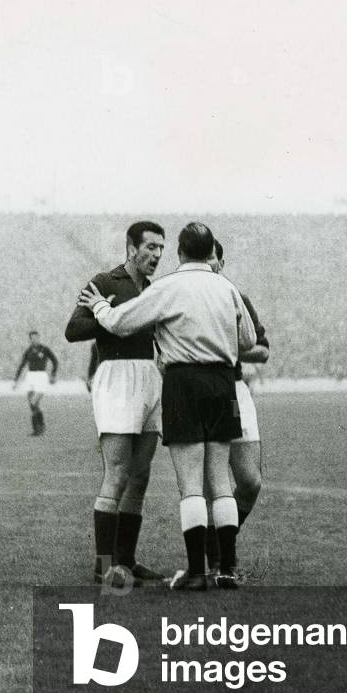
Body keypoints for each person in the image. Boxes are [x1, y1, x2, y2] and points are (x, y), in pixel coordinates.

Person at [79, 222, 256, 590]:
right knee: (220, 481)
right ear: (211, 253)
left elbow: (121, 323)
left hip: (184, 382)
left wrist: (98, 305)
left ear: (179, 252)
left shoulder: (169, 285)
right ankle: (224, 569)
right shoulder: (227, 287)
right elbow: (248, 338)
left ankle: (196, 573)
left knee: (191, 483)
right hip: (224, 384)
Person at [65, 221, 167, 588]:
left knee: (141, 474)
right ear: (130, 247)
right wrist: (112, 314)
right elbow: (73, 330)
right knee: (118, 472)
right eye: (150, 247)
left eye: (160, 248)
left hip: (149, 378)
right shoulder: (105, 283)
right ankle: (103, 567)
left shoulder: (155, 290)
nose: (156, 255)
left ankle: (126, 561)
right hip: (116, 378)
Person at [205, 240, 269, 576]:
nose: (208, 265)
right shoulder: (184, 296)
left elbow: (263, 350)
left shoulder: (237, 298)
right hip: (200, 395)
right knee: (207, 485)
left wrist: (225, 349)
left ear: (222, 262)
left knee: (250, 482)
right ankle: (217, 559)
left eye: (212, 259)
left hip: (234, 391)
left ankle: (219, 539)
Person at [13, 331, 59, 436]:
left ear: (39, 338)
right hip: (31, 377)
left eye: (36, 338)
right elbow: (22, 365)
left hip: (41, 377)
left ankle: (40, 426)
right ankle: (37, 429)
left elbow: (55, 361)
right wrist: (16, 380)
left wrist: (53, 374)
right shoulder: (28, 351)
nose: (35, 340)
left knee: (34, 402)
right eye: (32, 338)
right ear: (30, 339)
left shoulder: (45, 349)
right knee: (32, 404)